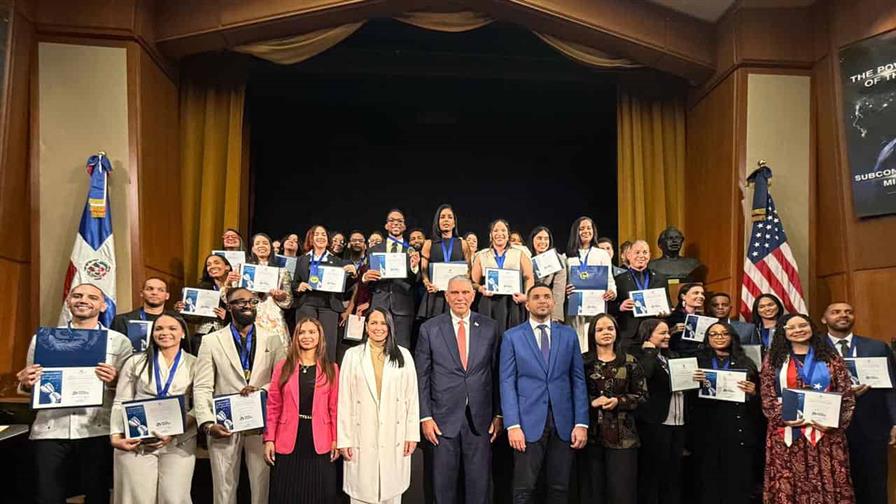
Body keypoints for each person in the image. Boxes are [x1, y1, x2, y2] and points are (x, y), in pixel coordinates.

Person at [16, 283, 133, 503]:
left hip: (97, 429)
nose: (83, 300)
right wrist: (26, 382)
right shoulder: (43, 339)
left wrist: (116, 380)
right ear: (68, 302)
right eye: (77, 295)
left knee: (97, 494)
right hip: (50, 430)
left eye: (91, 297)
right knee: (48, 496)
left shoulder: (119, 341)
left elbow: (129, 391)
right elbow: (30, 384)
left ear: (103, 305)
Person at [194, 288, 287, 504]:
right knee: (224, 489)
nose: (247, 305)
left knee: (261, 486)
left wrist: (261, 390)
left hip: (260, 423)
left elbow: (281, 380)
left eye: (251, 301)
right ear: (228, 306)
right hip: (224, 425)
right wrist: (207, 423)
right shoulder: (212, 341)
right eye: (240, 302)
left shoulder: (273, 340)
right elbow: (202, 386)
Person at [415, 276, 502, 504]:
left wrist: (499, 414)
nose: (460, 297)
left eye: (465, 292)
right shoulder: (429, 329)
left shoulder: (491, 327)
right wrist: (425, 416)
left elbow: (497, 374)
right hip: (442, 420)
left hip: (480, 420)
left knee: (479, 487)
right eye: (454, 293)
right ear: (446, 296)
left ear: (473, 296)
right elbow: (422, 376)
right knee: (442, 488)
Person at [500, 284, 589, 503]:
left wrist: (581, 423)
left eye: (547, 297)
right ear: (527, 303)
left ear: (553, 302)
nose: (542, 300)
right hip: (526, 422)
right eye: (537, 297)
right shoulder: (512, 337)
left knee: (560, 487)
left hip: (564, 422)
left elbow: (578, 380)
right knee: (524, 488)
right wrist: (512, 425)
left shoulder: (568, 335)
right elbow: (507, 382)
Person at [761, 313, 856, 503]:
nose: (798, 330)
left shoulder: (831, 358)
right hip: (787, 432)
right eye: (792, 328)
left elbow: (846, 393)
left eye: (803, 325)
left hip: (827, 434)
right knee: (788, 481)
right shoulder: (773, 360)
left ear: (811, 327)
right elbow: (767, 394)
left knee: (829, 478)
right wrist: (783, 417)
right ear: (783, 332)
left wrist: (836, 423)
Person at [110, 314, 198, 504]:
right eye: (159, 329)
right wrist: (116, 437)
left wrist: (174, 431)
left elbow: (199, 406)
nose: (165, 332)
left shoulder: (195, 363)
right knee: (135, 498)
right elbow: (120, 401)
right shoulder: (135, 362)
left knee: (174, 498)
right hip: (136, 439)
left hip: (179, 441)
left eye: (172, 328)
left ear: (183, 333)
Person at [337, 308, 420, 504]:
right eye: (373, 323)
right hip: (361, 437)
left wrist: (411, 435)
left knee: (391, 491)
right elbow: (344, 400)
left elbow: (412, 398)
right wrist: (344, 439)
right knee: (361, 492)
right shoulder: (352, 355)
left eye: (383, 323)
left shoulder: (404, 356)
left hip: (395, 436)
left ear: (390, 327)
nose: (378, 328)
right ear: (366, 327)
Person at [822, 302, 896, 504]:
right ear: (824, 319)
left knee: (874, 483)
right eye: (836, 312)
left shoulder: (877, 347)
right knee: (836, 483)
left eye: (848, 312)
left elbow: (892, 386)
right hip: (829, 426)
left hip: (872, 425)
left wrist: (895, 422)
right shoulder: (815, 348)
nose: (843, 315)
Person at [265, 317, 340, 503]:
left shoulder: (332, 369)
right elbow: (273, 405)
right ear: (296, 337)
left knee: (318, 495)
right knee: (287, 494)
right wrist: (269, 439)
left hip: (320, 441)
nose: (307, 336)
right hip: (288, 440)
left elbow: (335, 408)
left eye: (312, 332)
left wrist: (336, 438)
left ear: (320, 337)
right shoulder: (283, 367)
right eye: (302, 332)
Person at [689, 321, 759, 504]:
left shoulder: (746, 362)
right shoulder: (696, 361)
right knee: (706, 480)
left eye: (724, 334)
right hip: (706, 428)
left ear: (732, 337)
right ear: (707, 338)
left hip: (737, 428)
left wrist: (753, 393)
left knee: (736, 479)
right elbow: (684, 397)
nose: (719, 337)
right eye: (714, 334)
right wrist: (691, 382)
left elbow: (759, 403)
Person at [580, 314, 646, 504]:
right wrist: (590, 401)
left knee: (622, 492)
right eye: (600, 329)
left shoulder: (630, 361)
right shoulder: (583, 362)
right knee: (592, 492)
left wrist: (619, 401)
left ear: (617, 332)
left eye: (610, 328)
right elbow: (571, 394)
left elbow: (642, 396)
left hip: (623, 437)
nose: (606, 333)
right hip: (591, 435)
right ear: (592, 334)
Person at [632, 318, 686, 504]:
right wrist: (649, 351)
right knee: (653, 473)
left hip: (678, 422)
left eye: (668, 332)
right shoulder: (641, 356)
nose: (667, 336)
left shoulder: (673, 356)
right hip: (655, 423)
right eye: (662, 333)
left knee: (673, 473)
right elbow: (644, 376)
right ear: (648, 335)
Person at [293, 225, 358, 361]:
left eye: (323, 234)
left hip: (329, 306)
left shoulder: (337, 261)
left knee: (328, 344)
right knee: (306, 341)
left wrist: (352, 275)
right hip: (307, 304)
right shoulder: (302, 260)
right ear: (311, 239)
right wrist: (299, 285)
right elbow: (294, 284)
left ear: (328, 240)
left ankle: (328, 378)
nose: (320, 237)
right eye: (316, 234)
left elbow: (344, 288)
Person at [362, 209, 421, 349]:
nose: (395, 223)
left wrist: (414, 268)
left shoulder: (411, 250)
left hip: (403, 306)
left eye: (399, 221)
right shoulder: (374, 250)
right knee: (376, 348)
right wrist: (365, 278)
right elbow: (369, 280)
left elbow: (416, 281)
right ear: (386, 225)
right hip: (379, 304)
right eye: (392, 221)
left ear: (404, 226)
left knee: (402, 349)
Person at [471, 219, 535, 335]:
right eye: (495, 230)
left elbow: (529, 277)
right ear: (491, 235)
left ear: (508, 235)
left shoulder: (519, 253)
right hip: (489, 302)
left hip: (513, 302)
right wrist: (481, 289)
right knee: (489, 337)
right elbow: (473, 283)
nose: (499, 233)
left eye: (503, 230)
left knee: (513, 336)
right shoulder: (481, 255)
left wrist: (526, 296)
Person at [565, 217, 618, 352]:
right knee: (576, 342)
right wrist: (566, 289)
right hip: (575, 309)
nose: (586, 231)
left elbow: (610, 280)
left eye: (589, 228)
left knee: (594, 340)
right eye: (582, 228)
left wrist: (612, 292)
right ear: (575, 232)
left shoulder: (602, 254)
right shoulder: (567, 257)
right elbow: (564, 282)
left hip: (596, 306)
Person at [611, 240, 670, 350]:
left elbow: (668, 303)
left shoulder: (660, 278)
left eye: (645, 252)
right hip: (630, 334)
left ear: (649, 255)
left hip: (655, 333)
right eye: (637, 252)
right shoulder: (619, 280)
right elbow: (609, 307)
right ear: (629, 255)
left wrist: (665, 311)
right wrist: (620, 306)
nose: (641, 256)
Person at [176, 253, 239, 354]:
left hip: (229, 338)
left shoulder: (237, 288)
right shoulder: (201, 288)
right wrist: (182, 310)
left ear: (227, 267)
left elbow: (245, 315)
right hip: (202, 338)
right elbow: (193, 319)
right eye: (208, 265)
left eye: (216, 263)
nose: (212, 266)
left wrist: (227, 316)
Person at [418, 204, 471, 321]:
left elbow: (469, 270)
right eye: (442, 217)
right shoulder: (429, 244)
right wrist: (427, 283)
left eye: (449, 217)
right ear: (437, 221)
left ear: (454, 222)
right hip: (435, 296)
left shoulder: (462, 244)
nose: (446, 220)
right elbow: (423, 270)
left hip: (456, 296)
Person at [246, 233, 294, 347]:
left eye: (265, 243)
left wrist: (280, 296)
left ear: (271, 248)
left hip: (274, 320)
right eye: (257, 243)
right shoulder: (244, 270)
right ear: (252, 248)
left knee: (278, 358)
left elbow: (289, 302)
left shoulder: (282, 272)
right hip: (251, 318)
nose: (261, 246)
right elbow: (233, 297)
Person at [528, 226, 567, 322]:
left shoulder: (558, 259)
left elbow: (559, 292)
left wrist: (555, 317)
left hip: (548, 307)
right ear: (532, 240)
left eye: (546, 239)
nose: (543, 242)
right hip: (527, 308)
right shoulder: (525, 257)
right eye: (539, 238)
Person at [668, 283, 706, 356]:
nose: (701, 296)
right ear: (683, 296)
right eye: (696, 293)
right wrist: (672, 331)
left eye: (702, 294)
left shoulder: (703, 317)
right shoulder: (673, 316)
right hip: (679, 357)